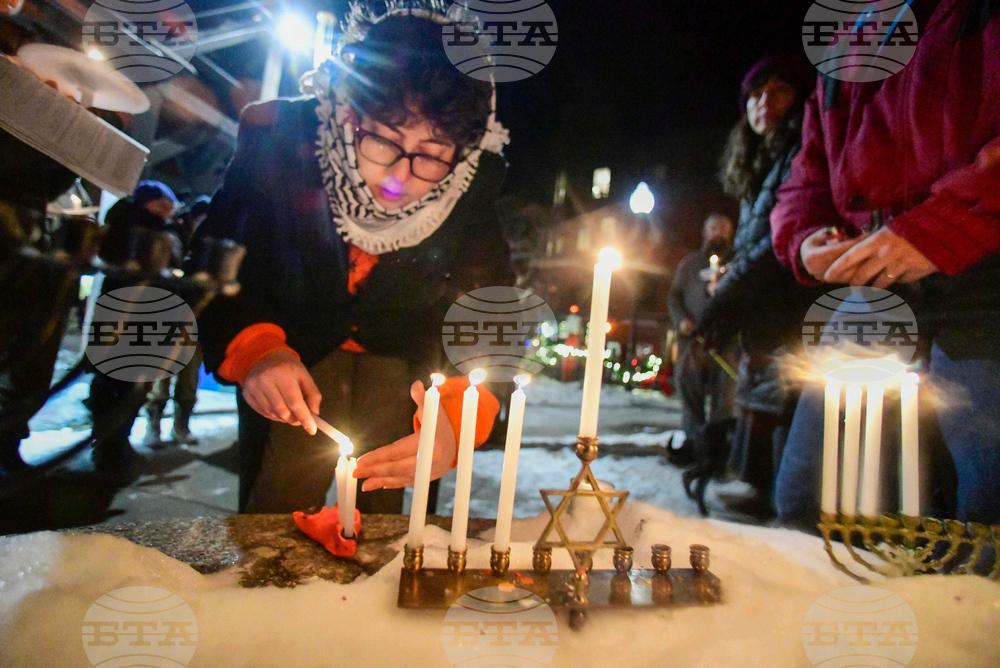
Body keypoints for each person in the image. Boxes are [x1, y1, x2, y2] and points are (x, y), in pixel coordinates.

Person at [193, 9, 513, 514]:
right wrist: (256, 349)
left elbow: (488, 307)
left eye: (431, 154)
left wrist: (459, 415)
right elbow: (220, 260)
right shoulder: (280, 139)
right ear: (348, 113)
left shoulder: (469, 182)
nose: (399, 178)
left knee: (385, 544)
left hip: (405, 374)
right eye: (384, 140)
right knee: (272, 522)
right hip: (292, 361)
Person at [770, 0, 1000, 526]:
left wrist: (939, 228)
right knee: (810, 498)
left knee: (985, 510)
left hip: (988, 272)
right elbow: (807, 176)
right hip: (881, 282)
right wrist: (806, 238)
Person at [691, 55, 821, 519]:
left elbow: (777, 242)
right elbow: (753, 242)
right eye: (755, 94)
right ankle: (752, 480)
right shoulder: (759, 165)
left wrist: (729, 293)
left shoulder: (802, 150)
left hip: (793, 302)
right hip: (764, 306)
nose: (765, 102)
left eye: (778, 90)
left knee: (779, 391)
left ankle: (768, 490)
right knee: (758, 385)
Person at [87, 180, 182, 474]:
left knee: (124, 385)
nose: (168, 211)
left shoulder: (130, 225)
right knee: (122, 385)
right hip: (131, 314)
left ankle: (112, 443)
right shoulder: (142, 230)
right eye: (164, 204)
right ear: (149, 202)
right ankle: (110, 447)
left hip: (133, 315)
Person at [668, 213, 736, 467]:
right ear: (704, 232)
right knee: (689, 392)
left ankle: (718, 452)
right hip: (693, 342)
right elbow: (675, 296)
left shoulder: (739, 262)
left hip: (726, 342)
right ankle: (695, 445)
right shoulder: (689, 264)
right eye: (713, 227)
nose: (718, 232)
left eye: (723, 227)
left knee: (725, 397)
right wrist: (682, 320)